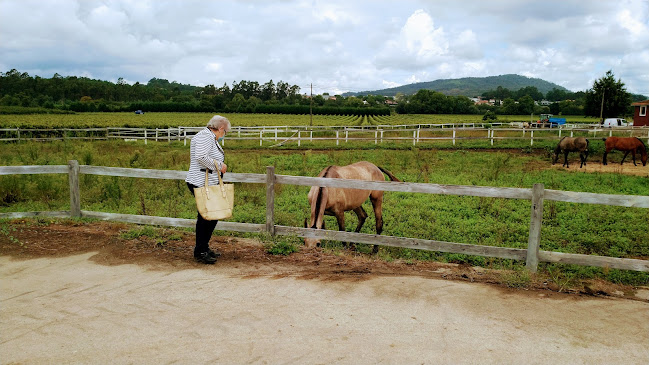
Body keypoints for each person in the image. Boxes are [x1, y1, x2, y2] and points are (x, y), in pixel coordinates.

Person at [185, 115, 231, 264]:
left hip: (206, 183)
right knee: (207, 217)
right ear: (221, 129)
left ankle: (203, 247)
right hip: (200, 182)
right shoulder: (205, 136)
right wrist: (220, 165)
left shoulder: (208, 136)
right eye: (225, 133)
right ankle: (200, 251)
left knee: (209, 216)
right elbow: (201, 157)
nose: (224, 136)